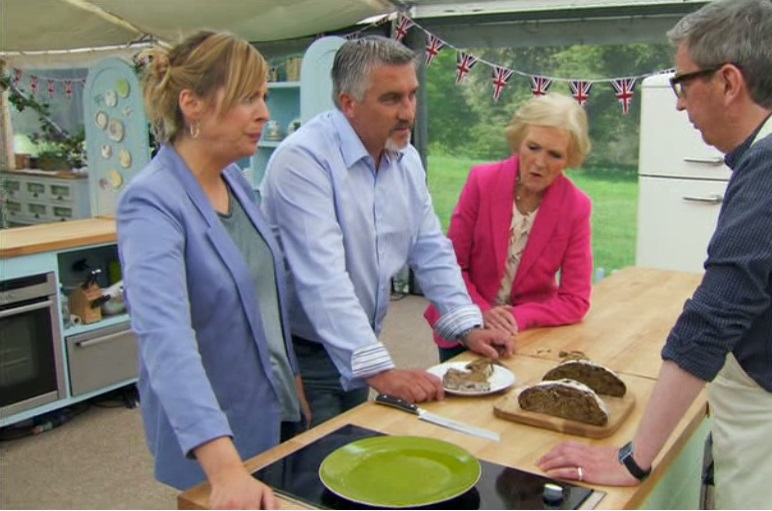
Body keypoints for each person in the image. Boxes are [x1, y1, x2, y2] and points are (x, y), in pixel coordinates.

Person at [536, 1, 772, 509]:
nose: (679, 104)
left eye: (683, 83)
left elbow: (713, 319)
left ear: (729, 82)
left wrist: (634, 458)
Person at [260, 35, 513, 427]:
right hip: (304, 353)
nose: (409, 112)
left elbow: (430, 247)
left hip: (360, 339)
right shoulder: (303, 161)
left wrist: (468, 325)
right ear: (348, 103)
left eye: (412, 95)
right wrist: (381, 372)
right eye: (392, 99)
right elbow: (323, 278)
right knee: (311, 470)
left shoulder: (405, 158)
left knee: (351, 453)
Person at [117, 31, 310, 507]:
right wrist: (224, 469)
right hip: (218, 438)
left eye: (264, 96)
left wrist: (296, 388)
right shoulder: (151, 202)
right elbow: (165, 339)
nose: (264, 113)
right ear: (192, 104)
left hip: (276, 411)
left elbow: (265, 299)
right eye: (248, 98)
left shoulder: (237, 183)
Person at [424, 93, 594, 362]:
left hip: (526, 334)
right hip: (464, 319)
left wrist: (515, 317)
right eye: (533, 147)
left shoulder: (577, 207)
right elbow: (451, 265)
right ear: (518, 142)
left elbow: (575, 300)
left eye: (555, 154)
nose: (539, 162)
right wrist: (482, 311)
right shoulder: (482, 182)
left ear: (570, 158)